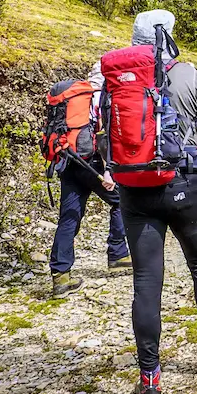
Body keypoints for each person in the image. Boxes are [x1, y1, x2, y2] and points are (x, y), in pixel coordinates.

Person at [108, 9, 197, 394]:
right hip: (183, 184)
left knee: (145, 282)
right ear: (167, 36)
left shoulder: (115, 80)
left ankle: (150, 379)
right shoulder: (186, 72)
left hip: (134, 190)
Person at [49, 62, 131, 299]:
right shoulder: (101, 98)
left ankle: (61, 276)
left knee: (69, 217)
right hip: (91, 163)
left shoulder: (71, 98)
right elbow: (103, 138)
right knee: (121, 200)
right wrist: (108, 171)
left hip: (67, 160)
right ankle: (118, 254)